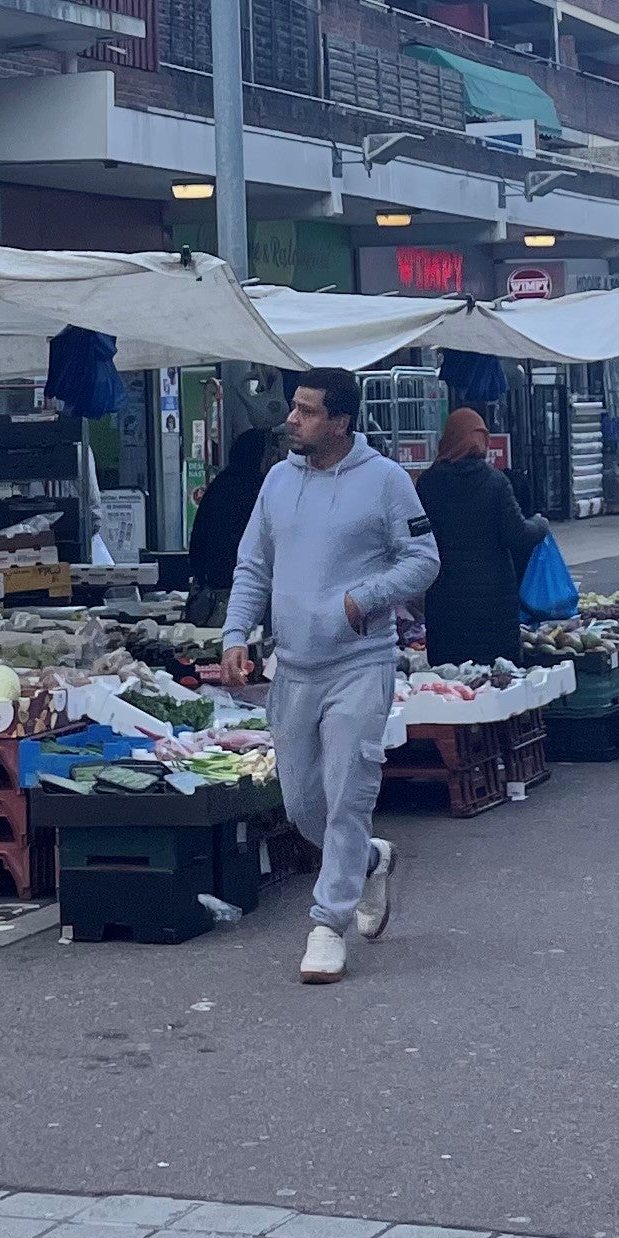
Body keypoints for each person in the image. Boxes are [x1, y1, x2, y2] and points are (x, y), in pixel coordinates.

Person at [222, 370, 439, 986]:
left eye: (306, 411)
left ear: (340, 421)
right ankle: (370, 860)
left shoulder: (387, 481)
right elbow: (252, 565)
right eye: (294, 408)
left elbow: (424, 559)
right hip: (291, 665)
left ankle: (327, 923)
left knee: (348, 792)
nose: (292, 419)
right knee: (301, 805)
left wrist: (364, 598)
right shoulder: (277, 480)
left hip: (359, 662)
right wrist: (235, 633)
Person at [416, 407, 540, 666]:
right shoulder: (495, 482)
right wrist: (540, 524)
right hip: (493, 600)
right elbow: (517, 534)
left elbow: (416, 536)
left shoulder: (428, 482)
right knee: (498, 678)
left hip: (445, 596)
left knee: (451, 680)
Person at [178, 422, 283, 601]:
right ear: (258, 457)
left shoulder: (222, 484)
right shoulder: (247, 491)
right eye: (271, 455)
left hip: (214, 586)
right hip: (232, 591)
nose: (275, 461)